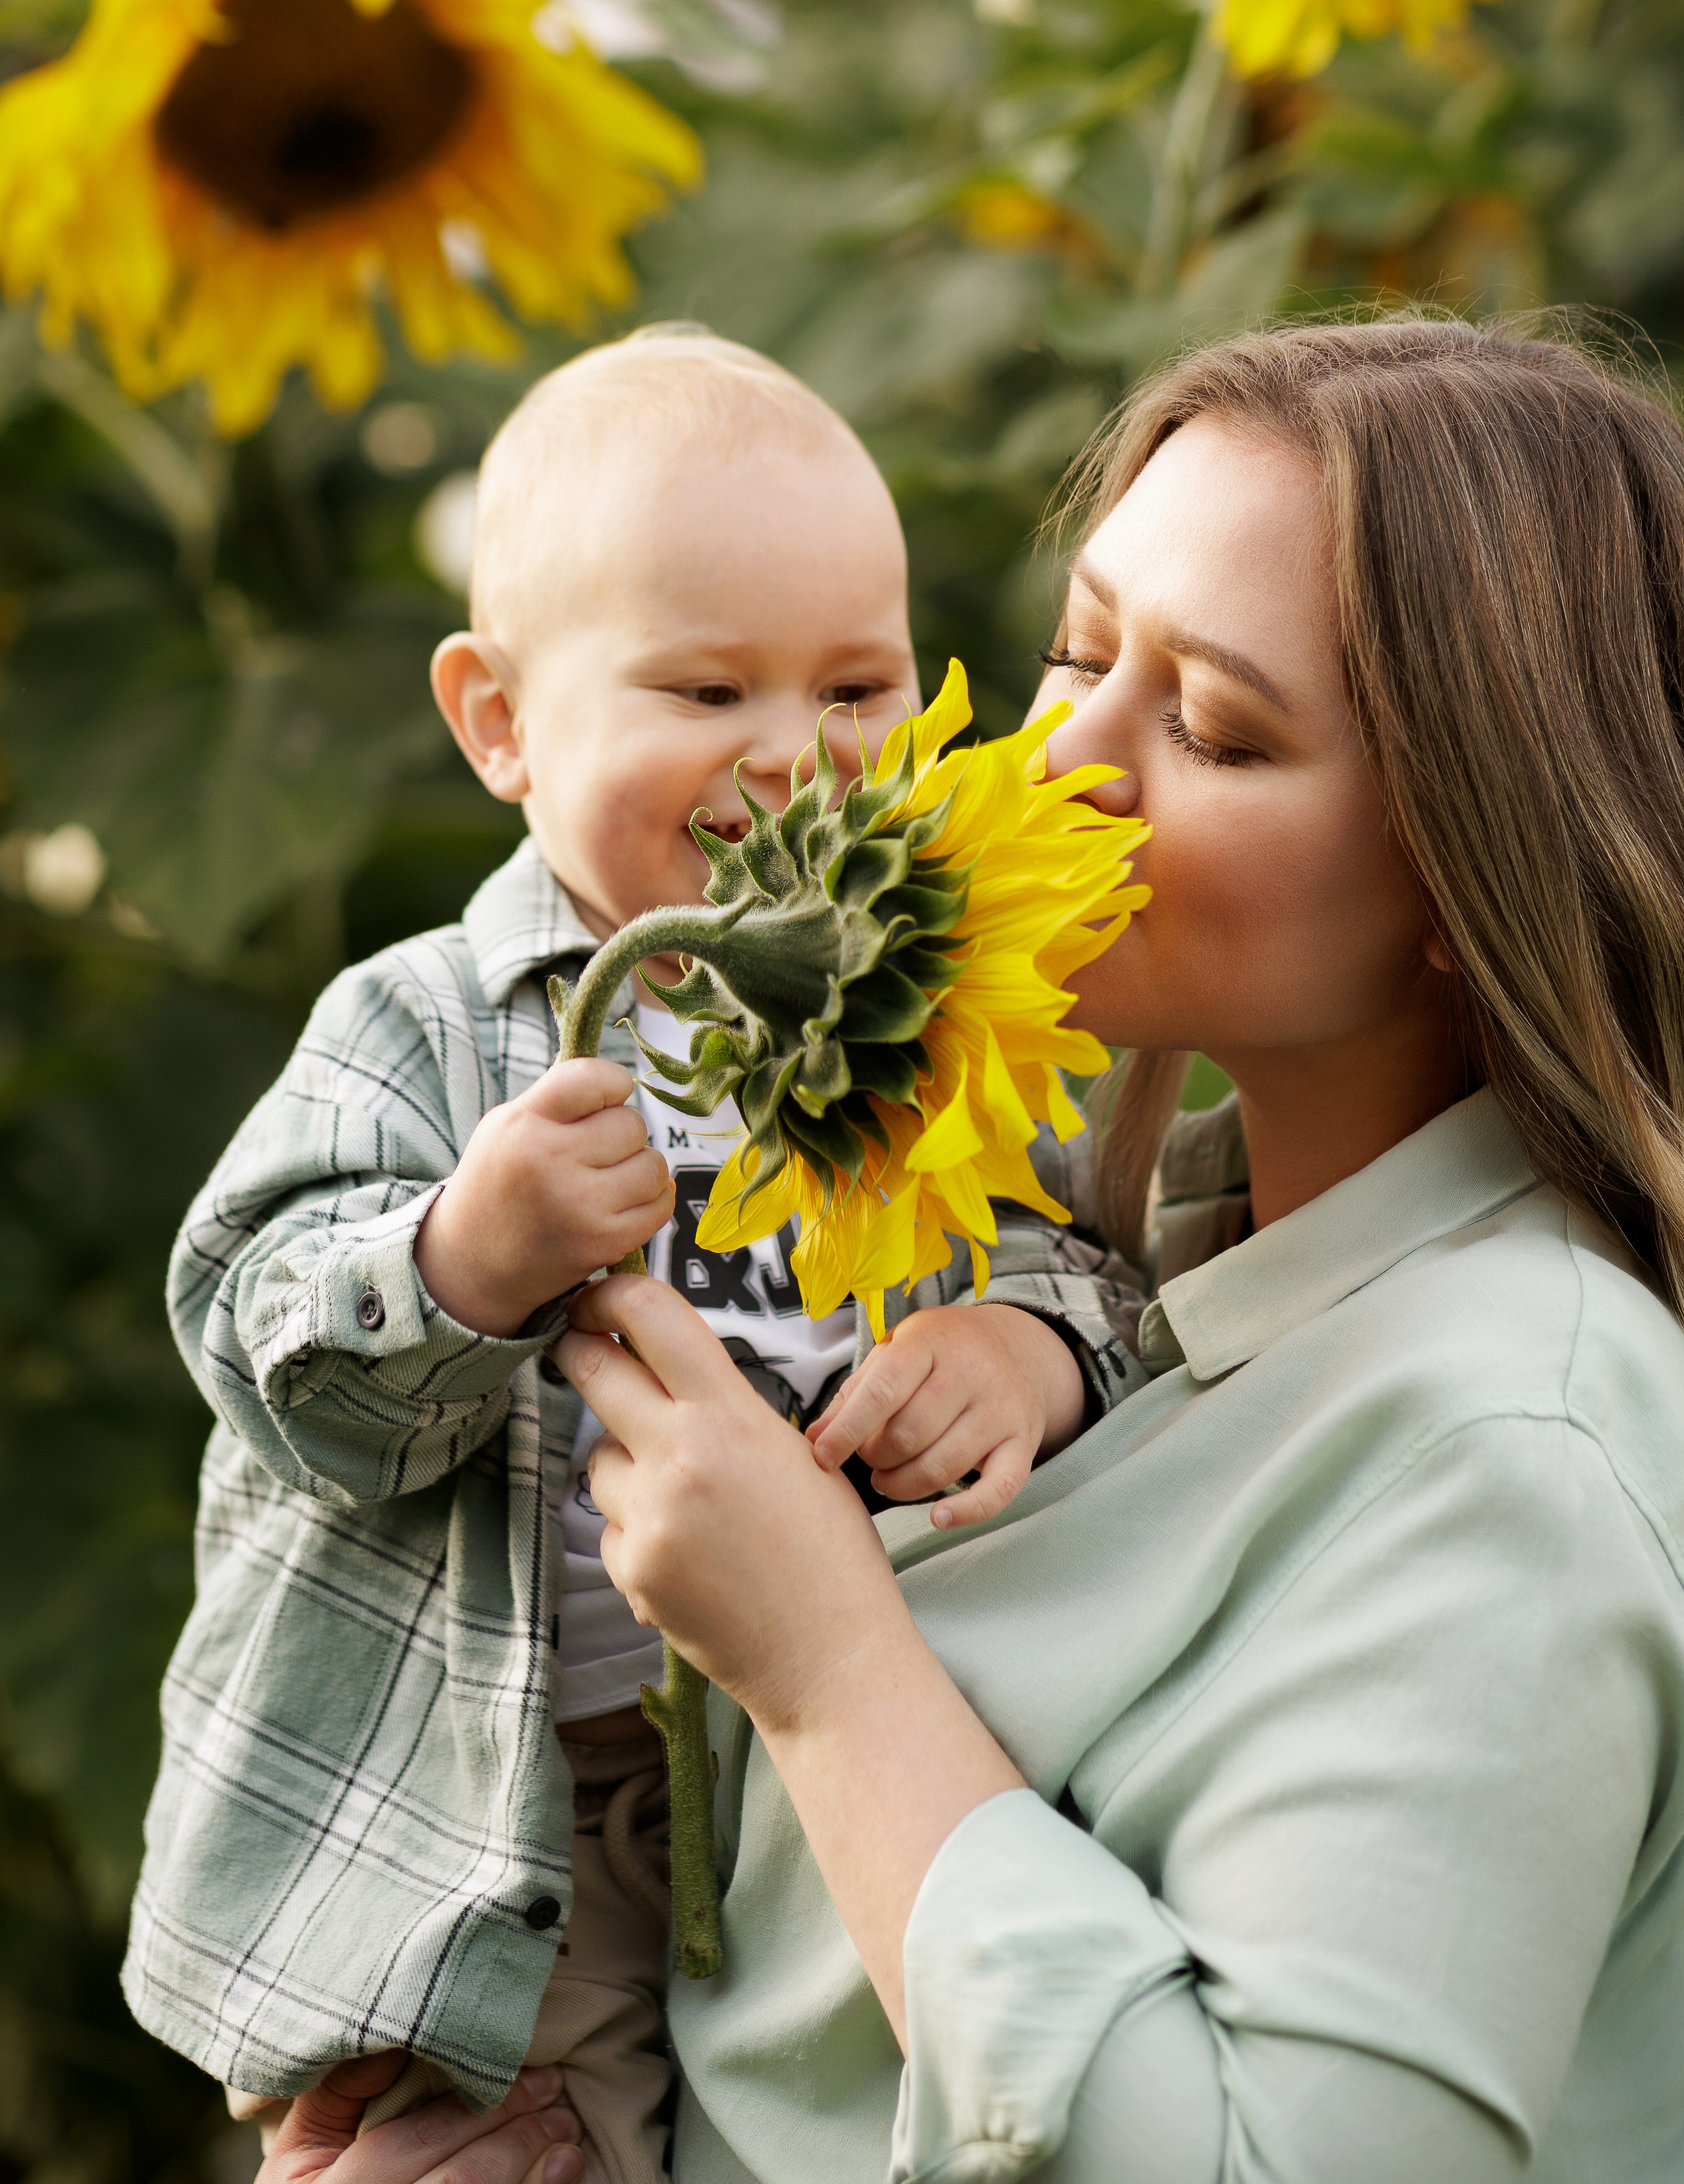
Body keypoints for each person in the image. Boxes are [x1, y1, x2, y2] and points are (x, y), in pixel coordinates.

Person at [536, 317, 1684, 2183]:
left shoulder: (1522, 1460)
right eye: (1081, 651)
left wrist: (826, 1667)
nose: (1058, 758)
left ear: (1470, 887)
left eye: (1216, 728)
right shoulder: (1149, 1254)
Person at [122, 328, 1116, 2184]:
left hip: (828, 1752)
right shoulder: (425, 1030)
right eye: (707, 686)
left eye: (857, 686)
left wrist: (1034, 1342)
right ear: (499, 721)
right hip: (506, 1808)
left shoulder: (911, 1013)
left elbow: (1074, 1243)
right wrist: (456, 1257)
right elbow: (254, 1337)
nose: (797, 757)